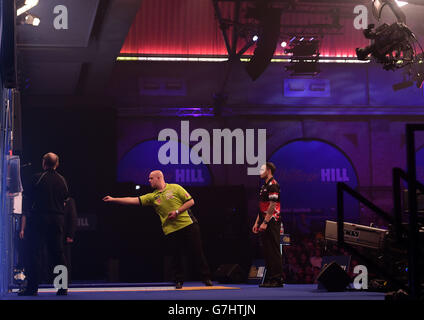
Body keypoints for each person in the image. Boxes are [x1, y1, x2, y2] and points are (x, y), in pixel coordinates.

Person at [103, 170, 212, 289]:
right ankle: (179, 281)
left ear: (159, 178)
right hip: (171, 230)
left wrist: (177, 212)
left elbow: (191, 201)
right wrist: (114, 199)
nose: (149, 181)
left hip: (188, 225)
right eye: (149, 178)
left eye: (151, 178)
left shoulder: (175, 188)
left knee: (197, 252)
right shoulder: (153, 196)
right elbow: (133, 200)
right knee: (176, 256)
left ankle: (206, 278)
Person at [19, 152, 69, 296]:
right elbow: (65, 201)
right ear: (57, 164)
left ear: (43, 163)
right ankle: (62, 288)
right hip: (57, 219)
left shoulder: (37, 178)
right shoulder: (62, 180)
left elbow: (28, 199)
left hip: (40, 218)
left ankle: (32, 288)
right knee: (58, 253)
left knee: (34, 253)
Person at [252, 162, 284, 287]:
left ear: (269, 170)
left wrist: (265, 222)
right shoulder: (264, 186)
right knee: (267, 251)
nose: (260, 171)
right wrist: (257, 222)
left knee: (274, 250)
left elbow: (272, 205)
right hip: (264, 221)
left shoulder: (273, 185)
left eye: (262, 169)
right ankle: (271, 278)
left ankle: (277, 279)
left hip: (272, 221)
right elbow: (262, 207)